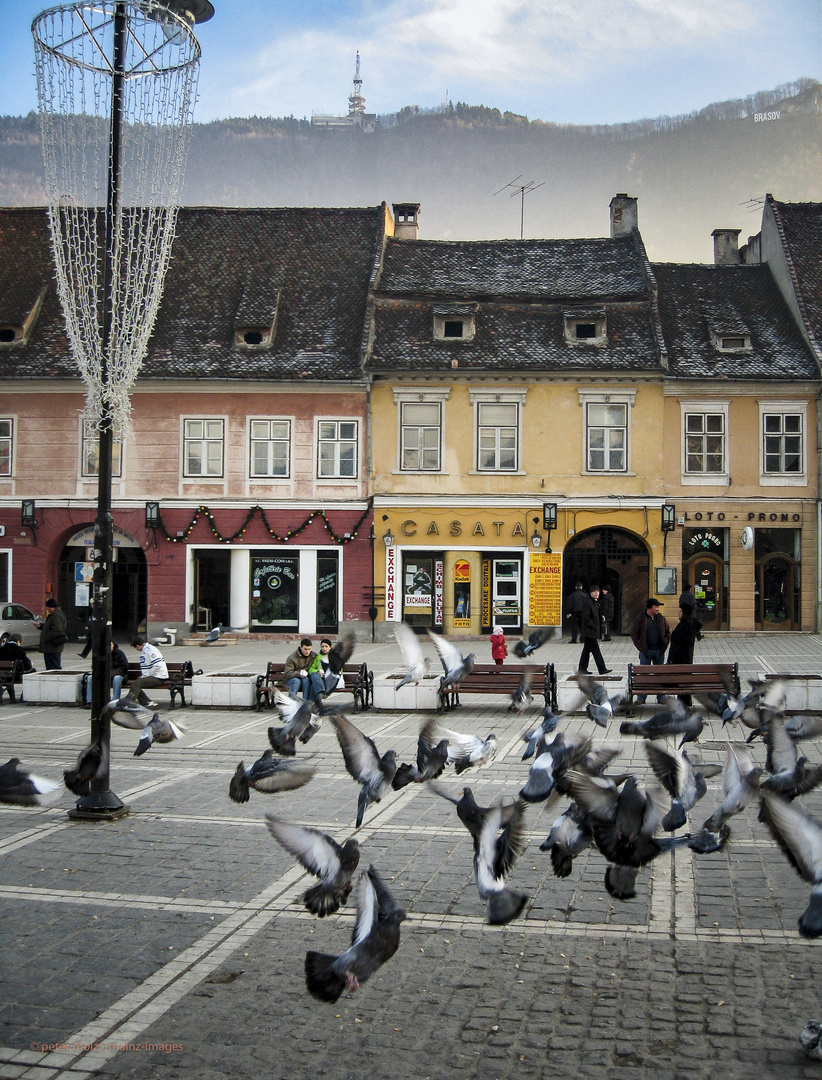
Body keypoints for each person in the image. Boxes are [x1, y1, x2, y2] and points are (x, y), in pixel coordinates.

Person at [630, 598, 671, 703]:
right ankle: (641, 698)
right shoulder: (640, 618)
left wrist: (665, 643)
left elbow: (667, 632)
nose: (658, 608)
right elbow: (634, 633)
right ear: (650, 607)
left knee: (659, 675)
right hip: (646, 652)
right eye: (656, 606)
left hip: (659, 651)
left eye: (658, 606)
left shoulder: (661, 618)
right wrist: (641, 647)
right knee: (644, 675)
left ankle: (661, 697)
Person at [667, 595, 703, 706]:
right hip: (685, 658)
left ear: (684, 612)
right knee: (684, 680)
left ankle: (684, 701)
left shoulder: (686, 625)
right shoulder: (688, 623)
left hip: (681, 659)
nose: (678, 613)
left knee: (682, 680)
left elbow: (681, 643)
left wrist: (672, 658)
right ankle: (685, 700)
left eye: (680, 611)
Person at [125, 636, 168, 709]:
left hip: (158, 677)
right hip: (154, 676)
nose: (136, 650)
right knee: (136, 685)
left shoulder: (150, 650)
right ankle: (148, 702)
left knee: (136, 684)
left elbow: (157, 665)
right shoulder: (145, 650)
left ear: (138, 645)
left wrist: (148, 676)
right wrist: (144, 677)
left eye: (135, 648)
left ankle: (129, 703)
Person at [578, 585, 612, 676]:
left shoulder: (595, 602)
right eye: (594, 591)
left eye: (598, 591)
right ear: (591, 593)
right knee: (596, 650)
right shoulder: (588, 602)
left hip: (592, 630)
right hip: (590, 631)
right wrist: (593, 625)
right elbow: (586, 617)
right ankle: (602, 669)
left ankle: (582, 668)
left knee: (586, 650)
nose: (597, 593)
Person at [85, 639, 130, 705]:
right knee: (90, 678)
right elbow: (95, 666)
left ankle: (115, 702)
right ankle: (90, 701)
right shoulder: (101, 654)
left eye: (110, 645)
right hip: (104, 675)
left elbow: (123, 667)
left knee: (117, 679)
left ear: (113, 645)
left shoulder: (119, 654)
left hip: (118, 675)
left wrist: (109, 674)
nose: (108, 647)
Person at [283, 638, 324, 702]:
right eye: (305, 649)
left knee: (306, 680)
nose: (307, 651)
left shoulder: (314, 656)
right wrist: (298, 674)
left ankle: (306, 703)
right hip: (292, 679)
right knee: (296, 681)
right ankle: (290, 702)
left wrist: (319, 671)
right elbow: (287, 674)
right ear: (301, 647)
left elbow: (317, 667)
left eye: (309, 649)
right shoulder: (292, 657)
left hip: (306, 679)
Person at [0, 632, 35, 702]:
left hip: (2, 676)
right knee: (33, 672)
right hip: (16, 675)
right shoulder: (19, 650)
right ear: (18, 641)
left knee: (9, 676)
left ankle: (12, 697)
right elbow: (27, 665)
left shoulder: (1, 649)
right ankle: (22, 697)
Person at [39, 598, 67, 671]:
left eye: (47, 607)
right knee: (50, 667)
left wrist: (46, 637)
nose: (47, 609)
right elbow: (51, 626)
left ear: (51, 607)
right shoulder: (54, 615)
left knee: (54, 667)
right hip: (50, 647)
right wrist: (41, 626)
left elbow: (57, 629)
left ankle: (56, 681)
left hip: (53, 646)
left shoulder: (57, 615)